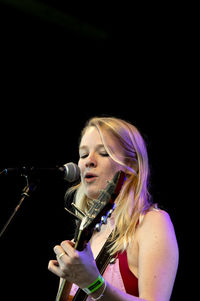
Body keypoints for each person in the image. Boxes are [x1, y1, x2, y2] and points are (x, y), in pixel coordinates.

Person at [48, 116, 179, 301]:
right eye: (83, 155)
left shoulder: (151, 223)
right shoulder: (82, 241)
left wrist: (93, 283)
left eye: (103, 153)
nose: (89, 161)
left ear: (131, 165)